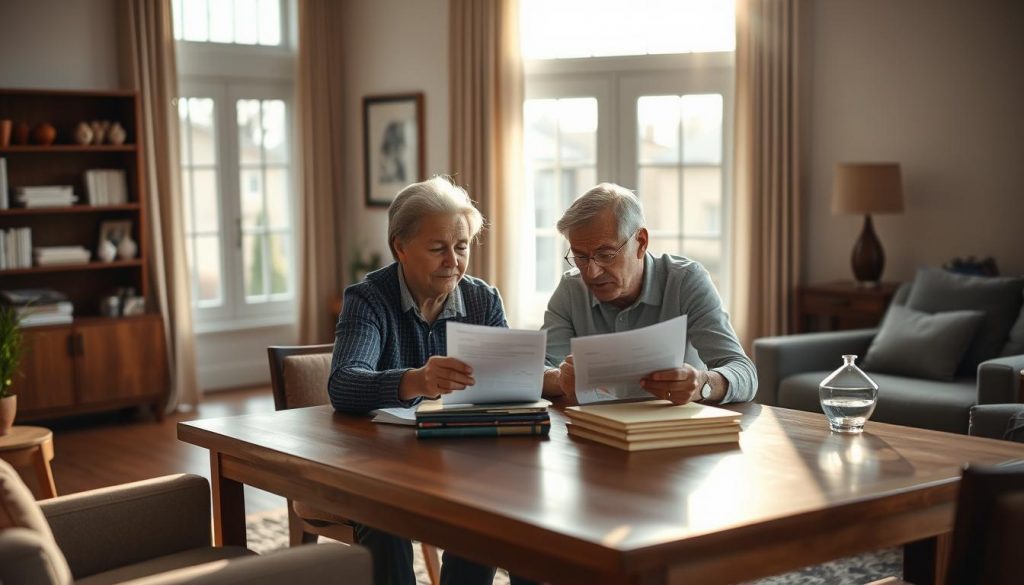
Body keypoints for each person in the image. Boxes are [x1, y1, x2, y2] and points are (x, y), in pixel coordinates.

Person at [329, 176, 534, 585]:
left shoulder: (482, 299)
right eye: (438, 248)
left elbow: (509, 384)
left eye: (461, 248)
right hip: (382, 468)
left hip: (466, 462)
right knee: (383, 520)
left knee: (511, 516)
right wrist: (417, 380)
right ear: (400, 247)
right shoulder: (368, 299)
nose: (453, 261)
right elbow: (344, 384)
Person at [540, 182, 757, 406]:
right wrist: (560, 378)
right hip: (595, 429)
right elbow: (535, 370)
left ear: (641, 242)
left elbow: (744, 372)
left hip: (673, 430)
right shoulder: (571, 288)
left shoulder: (686, 281)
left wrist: (703, 384)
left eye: (605, 254)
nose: (591, 272)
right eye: (581, 257)